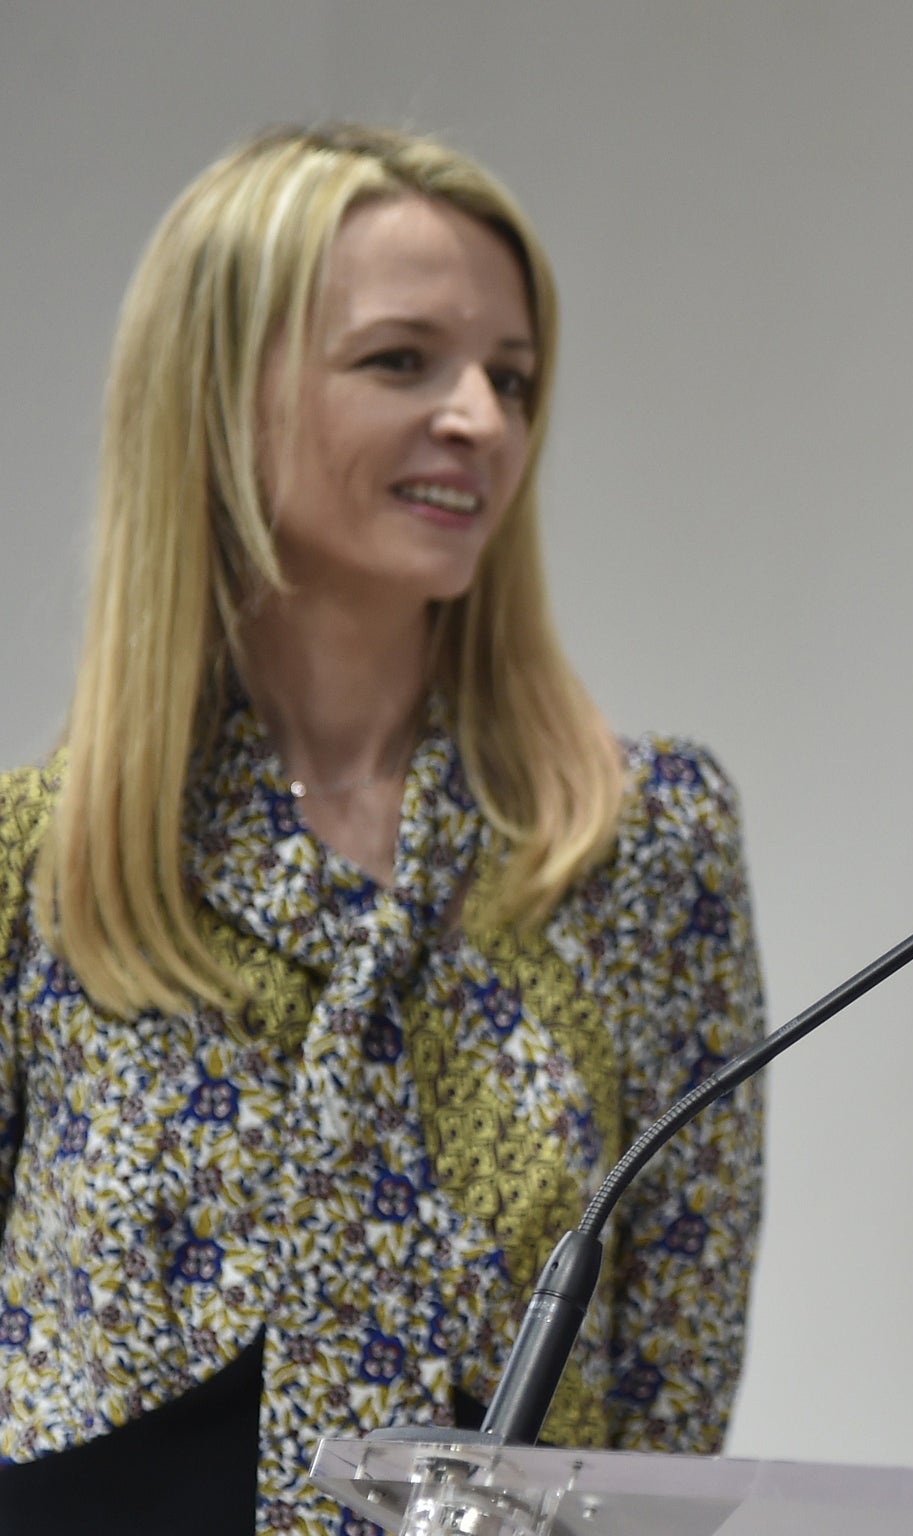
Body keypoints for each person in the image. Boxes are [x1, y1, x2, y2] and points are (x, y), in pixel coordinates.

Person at [0, 125, 766, 1534]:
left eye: (513, 377)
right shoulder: (40, 861)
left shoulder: (641, 842)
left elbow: (671, 1404)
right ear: (218, 394)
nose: (481, 418)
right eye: (401, 360)